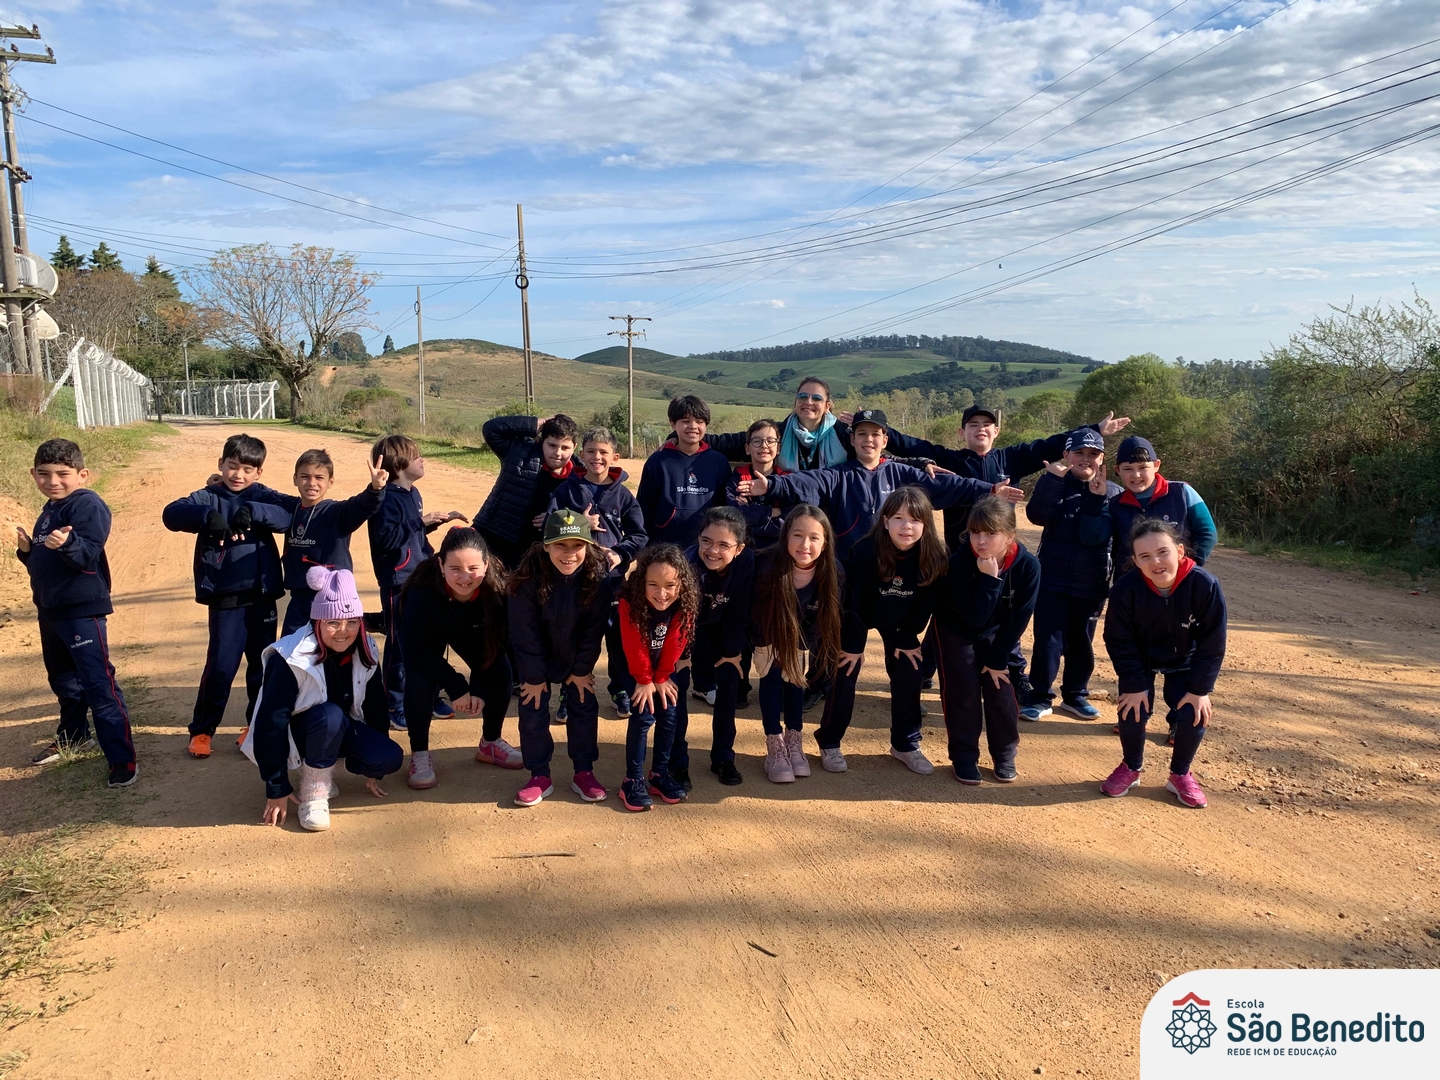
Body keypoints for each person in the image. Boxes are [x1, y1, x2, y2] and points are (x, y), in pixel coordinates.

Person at [876, 403, 1131, 695]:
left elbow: (1049, 445)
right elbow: (910, 445)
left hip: (1002, 558)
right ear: (962, 432)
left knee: (1006, 613)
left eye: (986, 424)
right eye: (973, 425)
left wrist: (1095, 430)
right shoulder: (950, 459)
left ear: (996, 431)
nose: (980, 429)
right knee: (947, 613)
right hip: (961, 557)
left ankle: (1015, 673)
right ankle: (926, 669)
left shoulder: (1011, 459)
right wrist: (878, 429)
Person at [162, 432, 293, 759]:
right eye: (232, 466)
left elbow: (291, 513)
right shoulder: (208, 496)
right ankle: (202, 730)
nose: (238, 475)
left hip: (262, 596)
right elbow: (171, 513)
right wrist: (206, 517)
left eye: (248, 469)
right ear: (221, 464)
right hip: (225, 599)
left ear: (259, 472)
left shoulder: (263, 495)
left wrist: (254, 510)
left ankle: (255, 726)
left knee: (261, 667)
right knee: (221, 667)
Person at [243, 567, 404, 832]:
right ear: (317, 621)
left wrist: (375, 769)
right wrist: (276, 785)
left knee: (388, 757)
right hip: (299, 733)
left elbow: (375, 704)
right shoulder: (290, 658)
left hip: (338, 726)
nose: (343, 631)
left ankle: (324, 767)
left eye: (352, 622)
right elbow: (270, 724)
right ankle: (314, 793)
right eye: (333, 622)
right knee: (329, 715)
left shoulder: (366, 648)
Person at [16, 438, 137, 788]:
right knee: (64, 681)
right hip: (50, 609)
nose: (52, 481)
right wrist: (27, 552)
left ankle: (122, 759)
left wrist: (68, 543)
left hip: (82, 612)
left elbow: (87, 554)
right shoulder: (49, 509)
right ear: (33, 474)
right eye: (44, 474)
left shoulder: (87, 504)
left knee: (99, 684)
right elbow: (45, 563)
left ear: (82, 475)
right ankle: (74, 736)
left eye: (62, 474)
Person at [737, 408, 1014, 560]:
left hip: (892, 564)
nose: (868, 440)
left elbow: (950, 485)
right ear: (853, 439)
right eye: (861, 434)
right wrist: (771, 486)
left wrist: (989, 489)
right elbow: (804, 482)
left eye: (875, 434)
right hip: (848, 565)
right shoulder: (838, 475)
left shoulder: (901, 473)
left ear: (885, 440)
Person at [818, 486, 949, 774]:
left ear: (926, 525)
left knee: (910, 669)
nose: (906, 526)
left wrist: (907, 636)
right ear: (886, 521)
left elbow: (926, 605)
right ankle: (829, 741)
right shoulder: (865, 550)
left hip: (901, 621)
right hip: (861, 614)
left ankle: (906, 743)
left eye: (915, 520)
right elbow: (853, 601)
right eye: (899, 518)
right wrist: (854, 644)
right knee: (845, 668)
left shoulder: (935, 557)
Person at [1101, 519, 1227, 809]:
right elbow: (1118, 640)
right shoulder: (1125, 589)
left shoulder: (1204, 584)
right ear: (1135, 561)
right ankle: (1131, 767)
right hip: (1141, 657)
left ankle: (1180, 774)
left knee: (1193, 711)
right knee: (1132, 708)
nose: (1155, 562)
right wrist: (1134, 685)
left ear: (1180, 551)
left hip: (1186, 658)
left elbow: (1213, 643)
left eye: (1163, 552)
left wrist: (1200, 690)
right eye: (1145, 556)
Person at [398, 528, 521, 790]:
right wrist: (457, 687)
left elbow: (498, 646)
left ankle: (490, 743)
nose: (465, 578)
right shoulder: (420, 591)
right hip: (431, 630)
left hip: (473, 628)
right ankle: (419, 753)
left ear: (486, 564)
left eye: (473, 568)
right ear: (440, 564)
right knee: (420, 679)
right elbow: (419, 652)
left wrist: (478, 689)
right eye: (455, 568)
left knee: (500, 669)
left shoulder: (499, 590)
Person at [507, 509, 613, 807]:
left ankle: (584, 772)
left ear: (588, 546)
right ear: (546, 546)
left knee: (584, 704)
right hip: (536, 657)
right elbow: (524, 633)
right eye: (560, 545)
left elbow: (594, 632)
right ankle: (539, 774)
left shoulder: (598, 579)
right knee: (532, 707)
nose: (569, 554)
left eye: (577, 545)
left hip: (576, 656)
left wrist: (581, 670)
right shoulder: (525, 580)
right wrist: (534, 677)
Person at [932, 496, 1040, 785]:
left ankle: (1004, 754)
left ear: (1009, 536)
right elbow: (974, 617)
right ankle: (964, 757)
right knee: (963, 693)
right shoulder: (960, 561)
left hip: (998, 632)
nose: (981, 541)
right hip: (956, 628)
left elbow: (1019, 618)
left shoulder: (1028, 566)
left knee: (1000, 690)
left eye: (991, 533)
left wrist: (997, 660)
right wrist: (990, 581)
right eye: (975, 533)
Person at [1019, 428, 1122, 722]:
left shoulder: (1114, 493)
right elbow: (1037, 515)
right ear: (1066, 455)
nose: (1085, 458)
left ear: (1102, 458)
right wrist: (1051, 480)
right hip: (1051, 579)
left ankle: (1075, 695)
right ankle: (1040, 697)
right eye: (1079, 452)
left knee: (1082, 643)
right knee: (1048, 641)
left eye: (1093, 453)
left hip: (1092, 582)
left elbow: (1115, 540)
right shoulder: (1056, 483)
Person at [366, 434, 467, 731]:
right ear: (398, 463)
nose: (422, 459)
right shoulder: (385, 498)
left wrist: (433, 523)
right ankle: (393, 704)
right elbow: (386, 540)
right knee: (400, 645)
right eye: (415, 455)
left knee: (432, 639)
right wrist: (420, 522)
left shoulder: (413, 493)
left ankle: (431, 695)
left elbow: (411, 536)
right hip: (398, 581)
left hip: (422, 577)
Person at [548, 425, 648, 719]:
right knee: (574, 637)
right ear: (581, 454)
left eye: (603, 452)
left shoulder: (624, 495)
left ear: (615, 456)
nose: (597, 457)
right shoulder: (566, 490)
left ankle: (620, 689)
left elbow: (639, 535)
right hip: (573, 580)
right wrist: (581, 524)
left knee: (617, 638)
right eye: (590, 451)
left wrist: (619, 553)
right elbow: (550, 527)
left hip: (613, 582)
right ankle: (569, 688)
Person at [750, 505, 843, 783]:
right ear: (786, 536)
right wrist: (766, 647)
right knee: (771, 677)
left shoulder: (834, 572)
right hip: (767, 633)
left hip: (803, 635)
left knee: (795, 679)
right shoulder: (766, 566)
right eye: (798, 535)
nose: (805, 545)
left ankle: (794, 740)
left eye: (814, 537)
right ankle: (774, 744)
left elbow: (823, 616)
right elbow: (756, 613)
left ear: (825, 542)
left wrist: (802, 650)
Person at [615, 544, 698, 811]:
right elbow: (633, 644)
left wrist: (661, 677)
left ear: (681, 584)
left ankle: (658, 774)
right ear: (642, 582)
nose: (662, 594)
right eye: (653, 585)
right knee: (644, 714)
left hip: (661, 666)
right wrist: (644, 679)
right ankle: (632, 780)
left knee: (669, 712)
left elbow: (676, 641)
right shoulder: (629, 601)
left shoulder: (684, 602)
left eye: (670, 585)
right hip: (633, 665)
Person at [277, 448, 388, 637]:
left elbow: (361, 505)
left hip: (332, 601)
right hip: (298, 601)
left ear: (330, 482)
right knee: (290, 649)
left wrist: (375, 489)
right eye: (305, 476)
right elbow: (266, 494)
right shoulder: (291, 507)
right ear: (295, 479)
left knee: (333, 649)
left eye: (319, 477)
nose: (312, 483)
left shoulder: (337, 512)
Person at [684, 507, 755, 786]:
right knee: (676, 691)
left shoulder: (746, 561)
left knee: (729, 688)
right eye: (706, 541)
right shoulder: (687, 564)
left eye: (724, 545)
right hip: (689, 630)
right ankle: (676, 759)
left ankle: (723, 757)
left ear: (739, 548)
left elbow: (740, 609)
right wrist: (683, 654)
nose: (713, 551)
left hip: (726, 628)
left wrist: (732, 652)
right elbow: (681, 616)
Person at [474, 413, 581, 569]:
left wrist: (557, 519)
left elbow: (582, 512)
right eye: (552, 445)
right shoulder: (518, 452)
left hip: (536, 551)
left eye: (565, 448)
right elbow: (491, 429)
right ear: (541, 441)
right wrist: (533, 425)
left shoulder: (579, 477)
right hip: (494, 535)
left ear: (574, 447)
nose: (558, 453)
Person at [1108, 436, 1217, 573]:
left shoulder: (1182, 492)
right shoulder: (1115, 504)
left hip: (1177, 579)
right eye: (1128, 469)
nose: (1136, 475)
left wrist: (1187, 570)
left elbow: (1207, 532)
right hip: (1131, 581)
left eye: (1143, 467)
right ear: (1118, 470)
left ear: (1156, 465)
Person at [636, 395, 731, 548]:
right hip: (664, 546)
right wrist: (643, 547)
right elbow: (644, 508)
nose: (693, 426)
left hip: (706, 549)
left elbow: (725, 507)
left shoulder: (718, 462)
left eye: (699, 421)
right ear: (673, 424)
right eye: (686, 421)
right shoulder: (658, 461)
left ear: (706, 425)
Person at [708, 376, 853, 470]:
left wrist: (861, 426)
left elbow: (866, 453)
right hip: (788, 506)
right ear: (795, 402)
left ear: (827, 406)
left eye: (816, 398)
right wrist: (695, 435)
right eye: (802, 396)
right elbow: (729, 443)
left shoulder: (843, 435)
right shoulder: (778, 432)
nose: (808, 402)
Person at [725, 418, 789, 549]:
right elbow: (734, 515)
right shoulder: (737, 480)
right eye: (757, 441)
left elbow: (788, 519)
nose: (764, 445)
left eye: (770, 441)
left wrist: (751, 513)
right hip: (744, 548)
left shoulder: (787, 481)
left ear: (778, 448)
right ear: (747, 448)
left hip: (778, 548)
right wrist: (771, 512)